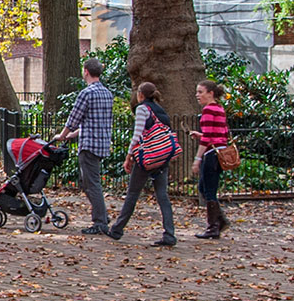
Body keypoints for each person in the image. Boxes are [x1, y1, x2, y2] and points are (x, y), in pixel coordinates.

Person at [107, 82, 177, 246]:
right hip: (162, 157)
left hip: (147, 158)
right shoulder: (161, 111)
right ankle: (169, 233)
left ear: (140, 94)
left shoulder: (142, 109)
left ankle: (117, 229)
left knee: (132, 193)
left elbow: (137, 135)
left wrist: (129, 156)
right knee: (162, 195)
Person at [52, 57, 115, 235]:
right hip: (101, 143)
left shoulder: (87, 93)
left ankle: (100, 222)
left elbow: (74, 118)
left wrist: (62, 136)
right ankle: (101, 213)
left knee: (91, 183)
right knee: (88, 181)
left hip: (89, 146)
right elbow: (96, 121)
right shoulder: (107, 93)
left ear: (86, 71)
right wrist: (73, 134)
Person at [193, 81, 231, 240]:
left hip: (211, 155)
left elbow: (208, 138)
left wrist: (197, 158)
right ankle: (219, 220)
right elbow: (221, 134)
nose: (198, 95)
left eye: (201, 92)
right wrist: (201, 135)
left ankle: (214, 226)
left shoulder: (208, 110)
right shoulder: (219, 109)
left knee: (208, 189)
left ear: (211, 93)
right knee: (205, 187)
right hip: (220, 152)